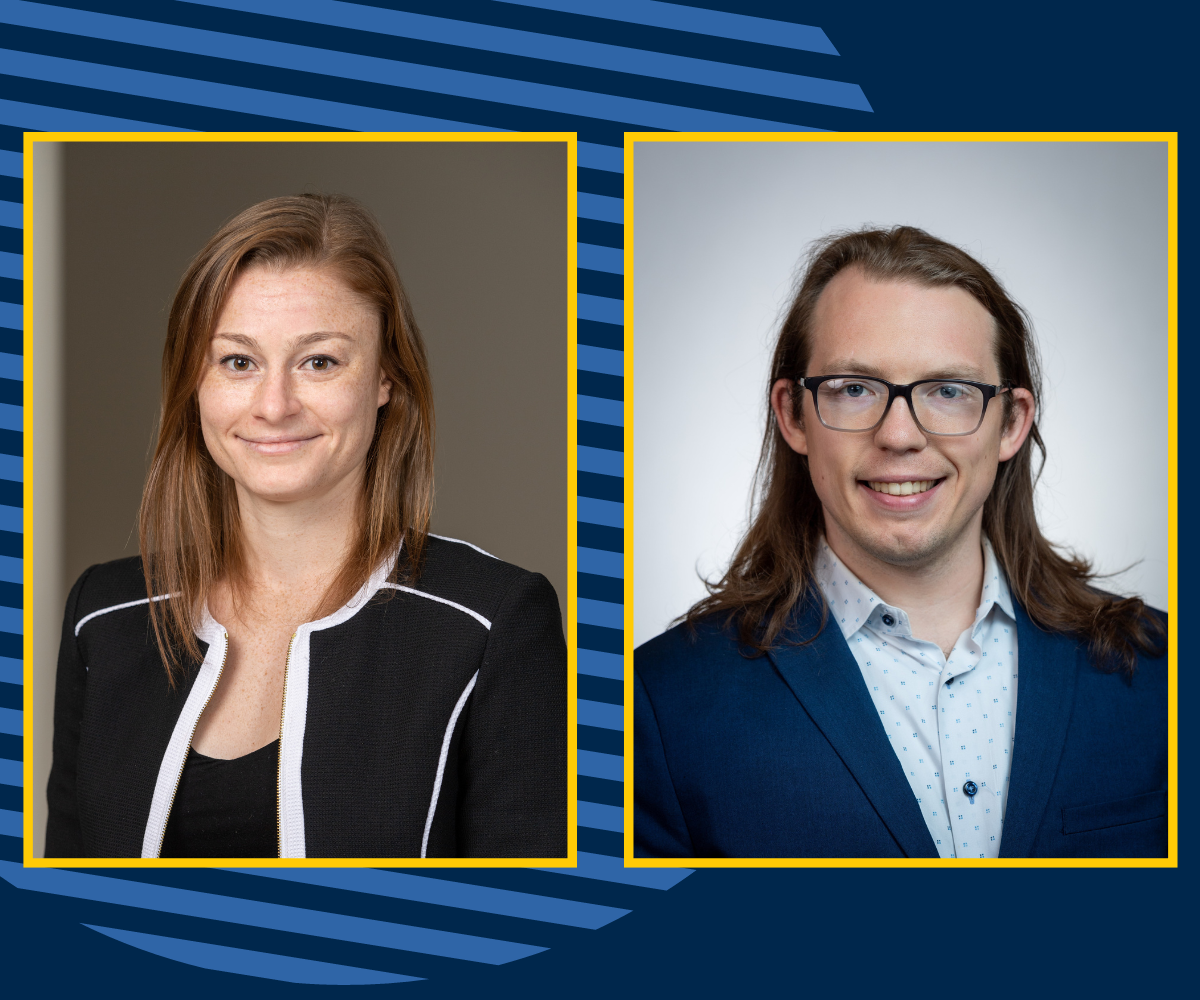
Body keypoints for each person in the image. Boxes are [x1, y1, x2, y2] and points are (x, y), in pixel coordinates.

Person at [46, 194, 567, 859]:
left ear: (385, 379)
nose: (274, 405)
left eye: (319, 361)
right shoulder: (105, 616)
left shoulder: (490, 625)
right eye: (238, 361)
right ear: (193, 383)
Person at [635, 226, 1167, 859]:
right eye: (855, 389)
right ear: (793, 415)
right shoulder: (656, 706)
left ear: (1012, 423)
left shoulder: (1164, 674)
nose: (900, 436)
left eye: (948, 390)